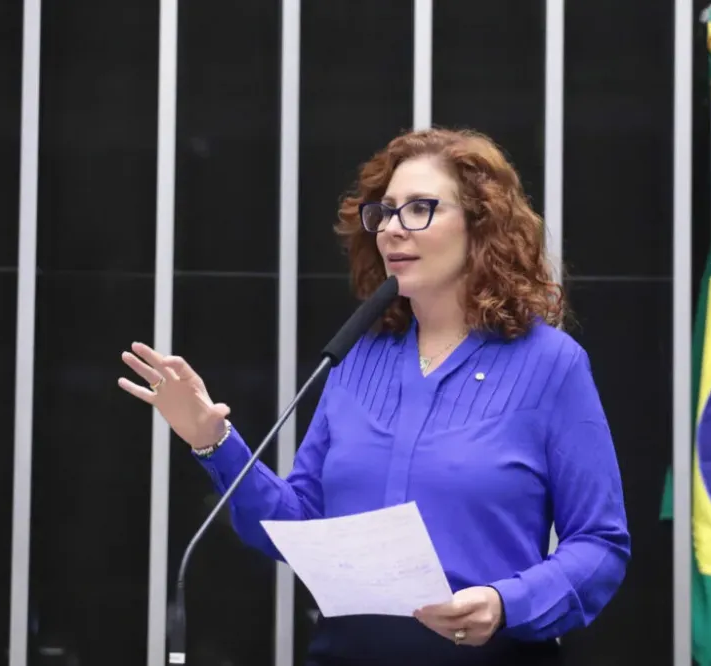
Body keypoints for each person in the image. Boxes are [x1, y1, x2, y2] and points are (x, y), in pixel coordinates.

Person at [119, 128, 630, 666]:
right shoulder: (357, 356)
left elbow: (599, 544)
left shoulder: (551, 364)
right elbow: (299, 526)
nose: (391, 229)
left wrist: (506, 603)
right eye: (385, 212)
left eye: (419, 210)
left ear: (482, 226)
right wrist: (211, 438)